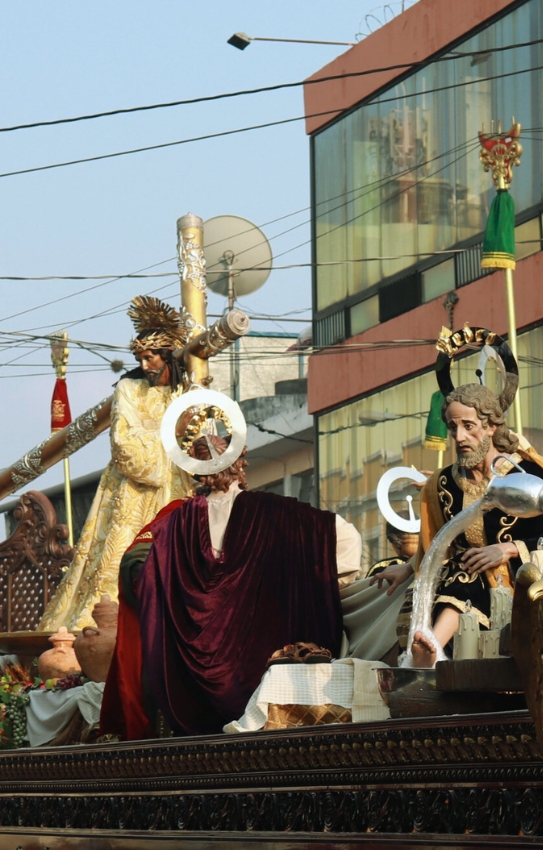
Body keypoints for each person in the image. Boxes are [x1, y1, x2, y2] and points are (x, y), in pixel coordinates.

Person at [133, 407, 358, 735]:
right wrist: (330, 582)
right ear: (239, 462)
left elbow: (148, 584)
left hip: (190, 685)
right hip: (257, 667)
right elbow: (343, 537)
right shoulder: (273, 511)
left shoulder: (175, 523)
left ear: (196, 470)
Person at [376, 333, 543, 667]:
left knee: (468, 575)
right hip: (462, 575)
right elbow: (436, 543)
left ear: (492, 426)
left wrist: (507, 550)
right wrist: (409, 569)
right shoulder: (441, 484)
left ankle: (432, 646)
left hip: (518, 579)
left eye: (469, 426)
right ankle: (430, 650)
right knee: (453, 575)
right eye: (453, 427)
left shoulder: (526, 472)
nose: (460, 437)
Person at [40, 295, 197, 633]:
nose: (145, 365)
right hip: (131, 491)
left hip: (178, 486)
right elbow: (124, 443)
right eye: (140, 358)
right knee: (118, 562)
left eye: (151, 357)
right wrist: (173, 431)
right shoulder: (128, 388)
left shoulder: (188, 393)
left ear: (167, 354)